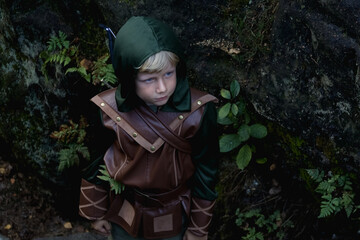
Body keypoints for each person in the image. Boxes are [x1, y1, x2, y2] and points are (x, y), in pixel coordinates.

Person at [78, 16, 219, 240]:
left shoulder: (199, 112)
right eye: (149, 79)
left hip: (173, 214)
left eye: (168, 74)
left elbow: (207, 172)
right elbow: (99, 158)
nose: (162, 87)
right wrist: (97, 212)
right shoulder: (108, 110)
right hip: (125, 210)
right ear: (129, 76)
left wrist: (197, 229)